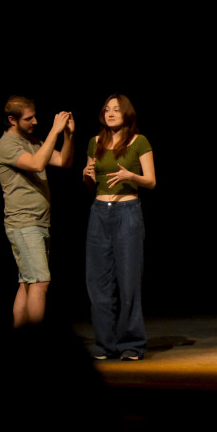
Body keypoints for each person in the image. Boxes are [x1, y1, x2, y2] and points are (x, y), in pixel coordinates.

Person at [82, 94, 156, 360]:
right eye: (107, 109)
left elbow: (151, 181)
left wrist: (130, 175)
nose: (110, 113)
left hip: (127, 213)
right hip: (99, 213)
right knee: (98, 283)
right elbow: (91, 183)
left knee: (128, 282)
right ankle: (104, 345)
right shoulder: (95, 143)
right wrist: (86, 176)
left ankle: (131, 344)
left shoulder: (139, 142)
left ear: (127, 114)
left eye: (116, 109)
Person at [0, 96, 74, 326]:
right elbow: (37, 164)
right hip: (23, 223)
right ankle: (35, 345)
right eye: (29, 118)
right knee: (40, 282)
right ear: (12, 120)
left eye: (35, 116)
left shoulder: (33, 141)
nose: (35, 121)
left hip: (38, 222)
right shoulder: (7, 145)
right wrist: (54, 131)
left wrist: (68, 134)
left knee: (28, 282)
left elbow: (63, 161)